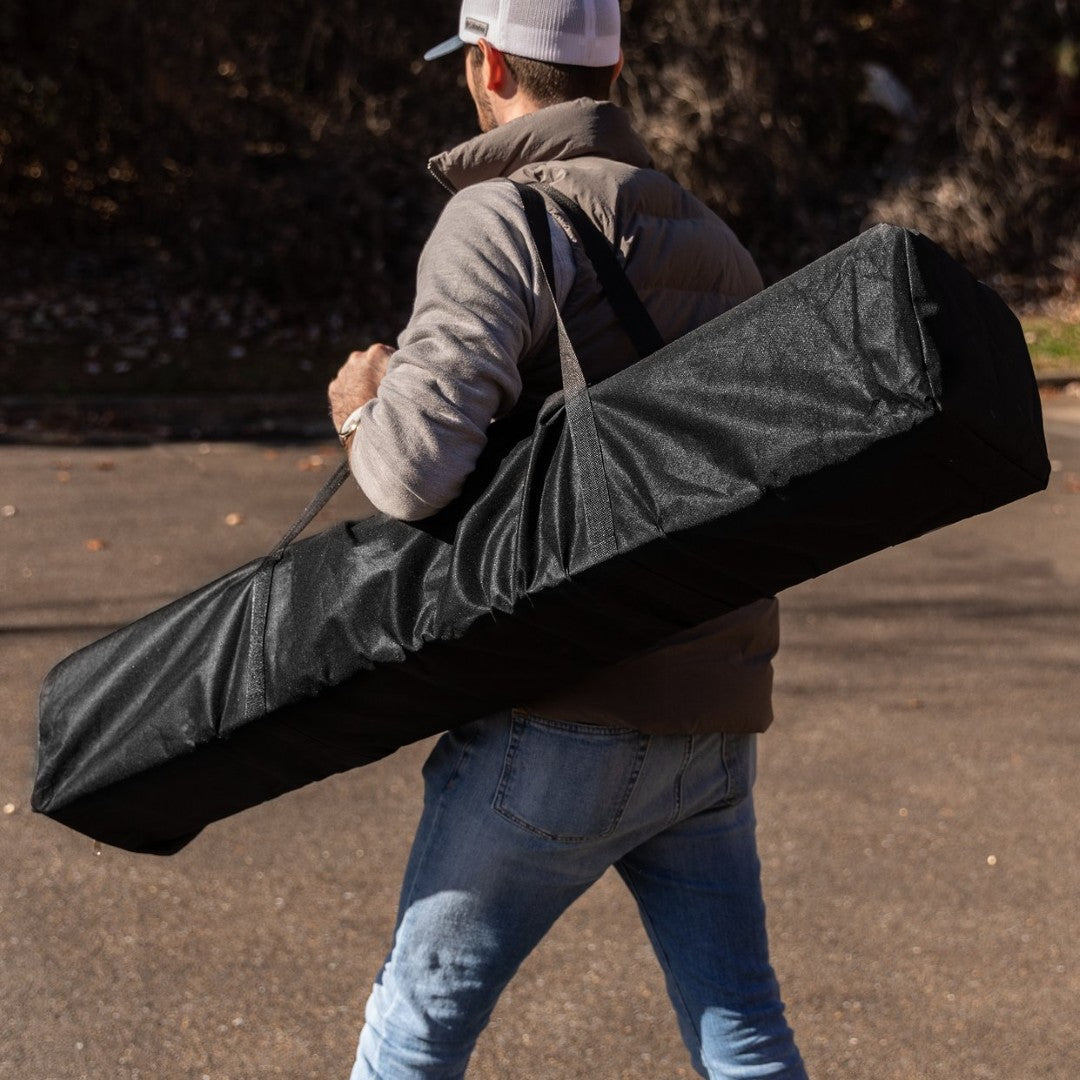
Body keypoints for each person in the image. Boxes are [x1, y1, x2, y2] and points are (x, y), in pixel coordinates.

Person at [328, 2, 807, 1077]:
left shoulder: (498, 216)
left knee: (412, 1032)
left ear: (487, 64)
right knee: (743, 1029)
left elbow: (411, 473)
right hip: (712, 716)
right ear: (615, 69)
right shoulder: (711, 235)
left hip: (560, 712)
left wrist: (363, 407)